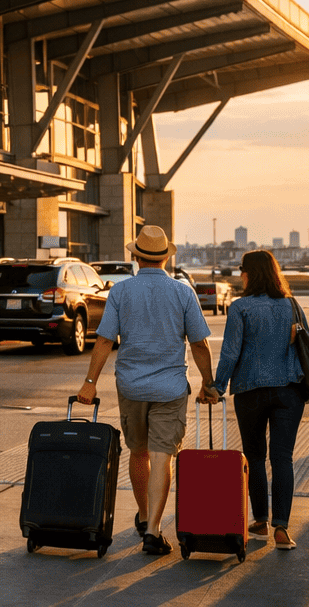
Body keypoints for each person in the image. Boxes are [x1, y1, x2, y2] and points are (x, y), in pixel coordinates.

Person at [76, 225, 218, 556]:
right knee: (162, 456)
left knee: (138, 452)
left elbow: (104, 340)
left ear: (135, 256)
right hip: (170, 388)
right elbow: (199, 344)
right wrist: (208, 383)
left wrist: (90, 382)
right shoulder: (183, 292)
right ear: (167, 257)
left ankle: (142, 514)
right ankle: (153, 529)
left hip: (131, 385)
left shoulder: (120, 293)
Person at [207, 250, 305, 550]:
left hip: (250, 390)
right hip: (289, 390)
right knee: (283, 458)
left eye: (241, 270)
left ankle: (261, 519)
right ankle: (281, 528)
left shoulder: (241, 308)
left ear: (250, 274)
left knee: (256, 457)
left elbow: (230, 353)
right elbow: (304, 344)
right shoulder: (291, 305)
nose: (239, 275)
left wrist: (217, 386)